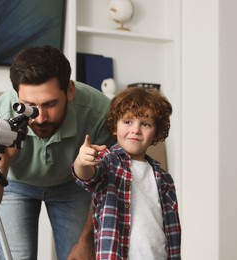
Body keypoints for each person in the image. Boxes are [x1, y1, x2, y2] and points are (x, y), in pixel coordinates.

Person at [0, 45, 114, 260]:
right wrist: (2, 165)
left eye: (50, 104)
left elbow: (104, 185)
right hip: (15, 183)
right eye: (29, 106)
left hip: (73, 184)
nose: (40, 117)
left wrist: (86, 242)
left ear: (70, 91)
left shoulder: (101, 113)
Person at [72, 87, 181, 259]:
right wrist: (82, 162)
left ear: (156, 132)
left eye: (145, 124)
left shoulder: (165, 179)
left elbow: (172, 229)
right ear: (115, 126)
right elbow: (86, 176)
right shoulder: (107, 162)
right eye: (128, 121)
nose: (136, 130)